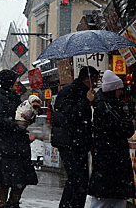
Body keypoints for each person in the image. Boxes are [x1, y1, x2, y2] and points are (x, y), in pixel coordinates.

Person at [51, 66, 100, 208]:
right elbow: (71, 115)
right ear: (88, 79)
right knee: (76, 178)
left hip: (79, 142)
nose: (96, 83)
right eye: (95, 79)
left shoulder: (85, 92)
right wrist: (86, 101)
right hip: (69, 142)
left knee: (82, 179)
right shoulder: (69, 91)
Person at [0, 69, 38, 208]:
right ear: (8, 82)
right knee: (4, 182)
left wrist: (30, 115)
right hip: (4, 148)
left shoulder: (14, 97)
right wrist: (16, 126)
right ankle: (4, 205)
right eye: (15, 80)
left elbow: (19, 115)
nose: (18, 83)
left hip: (17, 147)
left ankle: (12, 203)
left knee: (20, 180)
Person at [89, 70, 135, 207]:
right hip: (110, 156)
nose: (120, 92)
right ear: (113, 89)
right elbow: (125, 128)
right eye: (118, 89)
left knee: (109, 196)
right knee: (106, 198)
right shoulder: (105, 107)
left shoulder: (106, 105)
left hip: (109, 156)